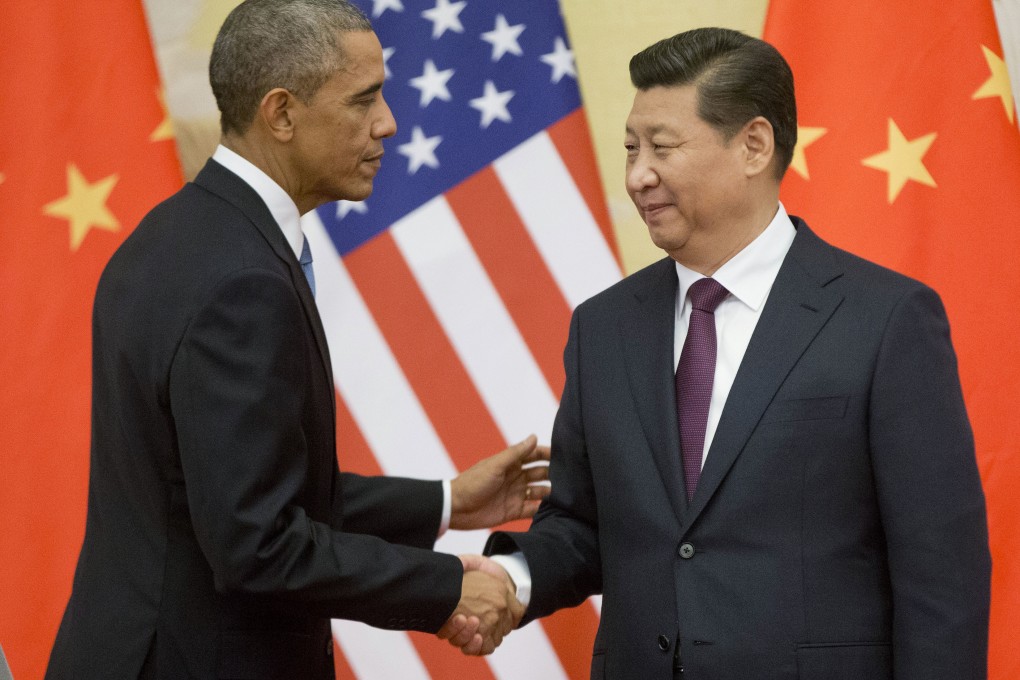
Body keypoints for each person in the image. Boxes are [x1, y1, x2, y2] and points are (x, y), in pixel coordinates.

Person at [473, 27, 992, 679]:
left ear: (753, 145)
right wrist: (510, 579)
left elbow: (941, 574)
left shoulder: (885, 319)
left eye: (661, 148)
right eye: (630, 148)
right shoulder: (602, 328)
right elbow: (582, 525)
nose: (638, 176)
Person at [44, 1, 539, 677]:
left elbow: (224, 488)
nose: (388, 123)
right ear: (281, 114)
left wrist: (448, 501)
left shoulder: (175, 234)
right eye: (364, 100)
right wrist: (446, 584)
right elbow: (257, 544)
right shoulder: (242, 282)